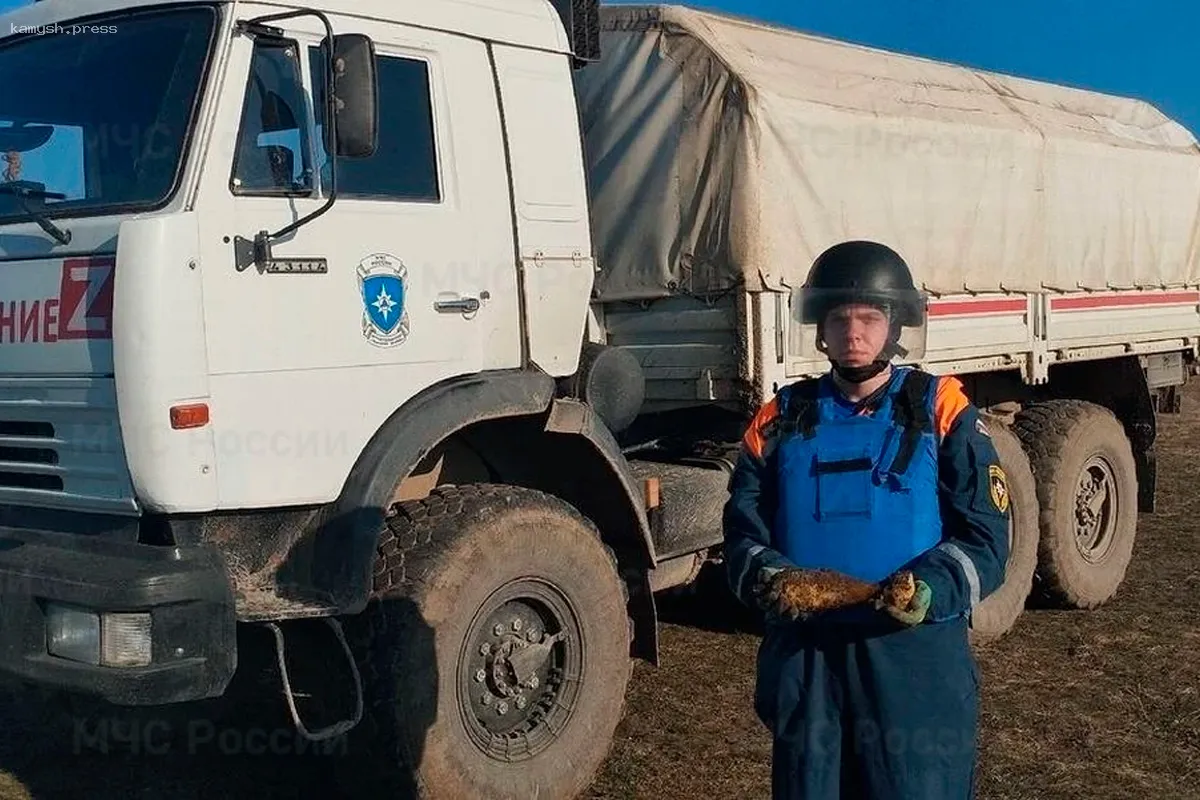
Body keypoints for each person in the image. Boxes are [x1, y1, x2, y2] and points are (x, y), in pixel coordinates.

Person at [722, 240, 1011, 799]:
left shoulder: (941, 409)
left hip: (911, 664)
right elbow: (742, 529)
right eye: (840, 319)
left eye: (869, 318)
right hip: (809, 662)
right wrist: (771, 577)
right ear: (820, 330)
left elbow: (986, 537)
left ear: (895, 326)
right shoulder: (780, 417)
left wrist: (930, 588)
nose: (854, 333)